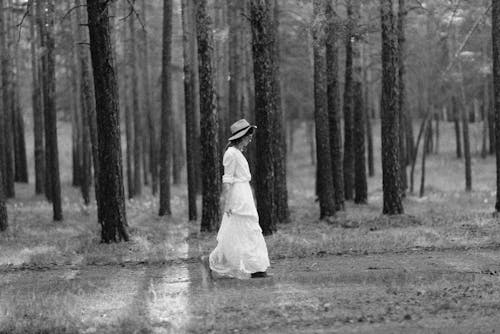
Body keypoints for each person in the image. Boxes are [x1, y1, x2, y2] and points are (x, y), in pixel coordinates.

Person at [202, 119, 270, 279]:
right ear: (241, 136)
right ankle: (211, 261)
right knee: (237, 231)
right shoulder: (231, 154)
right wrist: (227, 202)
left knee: (247, 230)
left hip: (244, 194)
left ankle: (257, 269)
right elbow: (228, 179)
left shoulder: (237, 153)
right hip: (237, 197)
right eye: (248, 136)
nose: (250, 139)